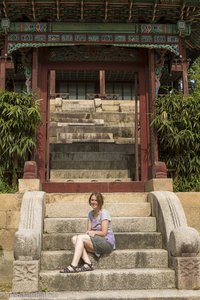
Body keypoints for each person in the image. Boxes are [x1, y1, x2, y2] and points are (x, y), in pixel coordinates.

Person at [60, 192, 116, 273]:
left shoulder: (104, 213)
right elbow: (88, 231)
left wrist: (94, 232)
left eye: (96, 200)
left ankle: (73, 265)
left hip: (107, 242)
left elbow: (104, 233)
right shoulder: (90, 214)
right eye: (92, 200)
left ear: (100, 202)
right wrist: (90, 232)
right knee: (74, 239)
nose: (93, 202)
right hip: (96, 240)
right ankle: (88, 264)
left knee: (80, 237)